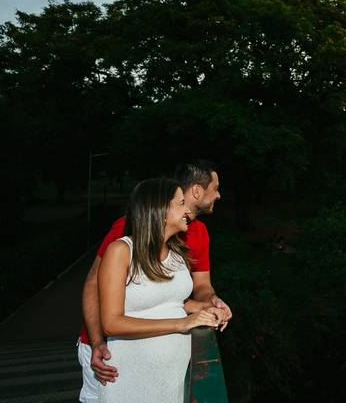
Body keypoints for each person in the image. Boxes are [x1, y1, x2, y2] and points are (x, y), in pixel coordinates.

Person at [77, 160, 233, 403]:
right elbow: (94, 289)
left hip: (169, 376)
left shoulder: (181, 250)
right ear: (161, 208)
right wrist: (97, 342)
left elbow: (176, 298)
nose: (186, 212)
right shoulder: (123, 243)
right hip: (120, 364)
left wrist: (211, 305)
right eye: (180, 204)